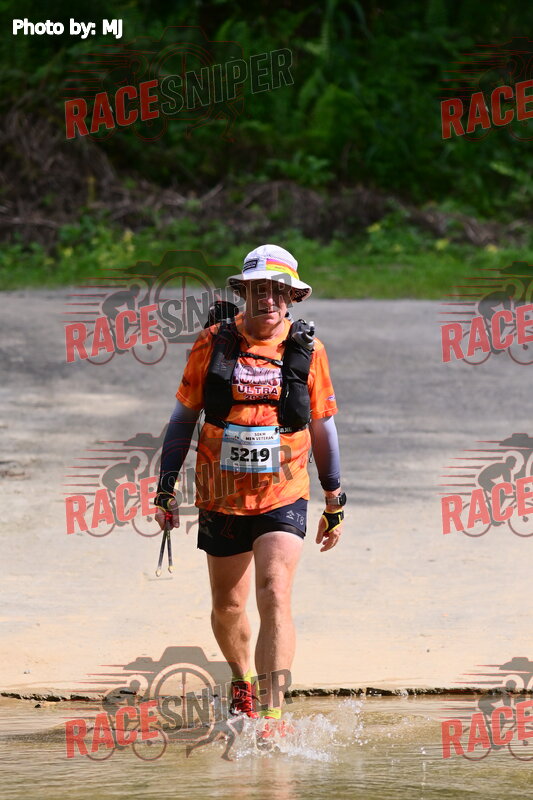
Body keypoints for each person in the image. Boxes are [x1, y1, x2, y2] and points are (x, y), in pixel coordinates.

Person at [154, 244, 345, 735]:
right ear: (245, 293)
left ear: (292, 297)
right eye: (259, 289)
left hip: (285, 492)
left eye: (278, 290)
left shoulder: (309, 350)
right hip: (220, 493)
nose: (268, 299)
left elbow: (323, 426)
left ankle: (272, 714)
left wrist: (334, 497)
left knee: (275, 591)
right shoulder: (213, 342)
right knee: (229, 606)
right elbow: (183, 416)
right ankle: (242, 680)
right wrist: (165, 486)